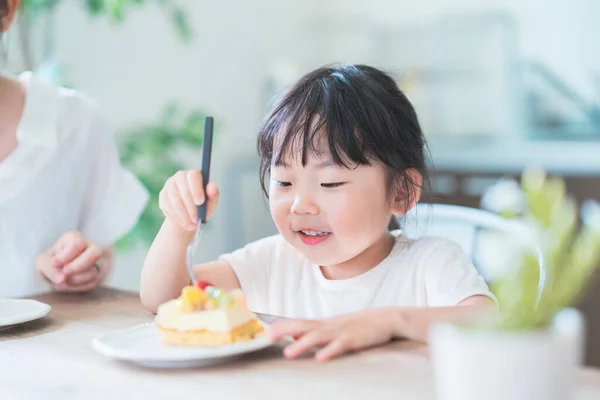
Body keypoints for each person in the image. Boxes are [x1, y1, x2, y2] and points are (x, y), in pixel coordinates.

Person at [140, 64, 494, 361]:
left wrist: (388, 322)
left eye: (329, 184)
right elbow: (165, 299)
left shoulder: (431, 262)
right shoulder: (272, 262)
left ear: (400, 191)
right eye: (283, 182)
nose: (300, 205)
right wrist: (178, 224)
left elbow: (492, 323)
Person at [0, 0, 148, 297]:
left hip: (48, 340)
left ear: (8, 11)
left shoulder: (75, 122)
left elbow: (101, 253)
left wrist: (82, 266)